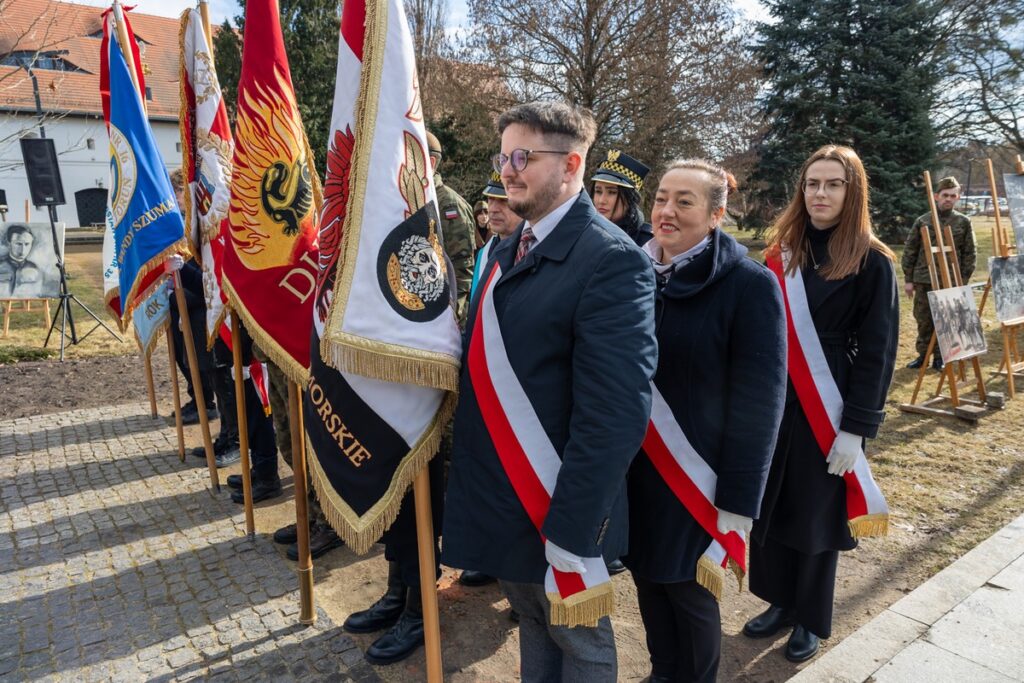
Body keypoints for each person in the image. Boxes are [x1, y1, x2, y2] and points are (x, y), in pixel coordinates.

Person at [442, 101, 657, 681]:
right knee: (534, 624)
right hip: (504, 496)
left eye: (523, 157)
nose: (508, 170)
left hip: (560, 506)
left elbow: (614, 416)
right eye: (503, 155)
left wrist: (573, 529)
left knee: (580, 643)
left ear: (571, 165)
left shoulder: (611, 261)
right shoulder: (508, 249)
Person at [625, 159, 787, 683]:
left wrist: (740, 502)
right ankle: (662, 672)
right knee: (647, 578)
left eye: (685, 201)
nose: (666, 211)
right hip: (636, 467)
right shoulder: (630, 271)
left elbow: (761, 402)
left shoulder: (748, 285)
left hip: (699, 476)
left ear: (717, 215)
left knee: (687, 589)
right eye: (660, 198)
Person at [744, 145, 899, 663]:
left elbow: (879, 351)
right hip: (773, 394)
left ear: (852, 192)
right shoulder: (782, 249)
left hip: (826, 395)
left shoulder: (872, 261)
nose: (820, 194)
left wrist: (856, 428)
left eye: (833, 184)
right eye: (813, 184)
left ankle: (809, 616)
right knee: (770, 503)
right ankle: (780, 602)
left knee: (813, 512)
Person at [901, 176, 975, 370]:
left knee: (947, 320)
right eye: (944, 195)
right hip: (924, 279)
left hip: (950, 281)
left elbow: (970, 253)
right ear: (936, 196)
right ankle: (923, 355)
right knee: (924, 319)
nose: (948, 199)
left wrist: (963, 280)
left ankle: (941, 357)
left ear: (958, 197)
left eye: (952, 195)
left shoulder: (963, 222)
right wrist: (908, 280)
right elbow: (910, 250)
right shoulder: (923, 221)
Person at [426, 131, 476, 327]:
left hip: (443, 316)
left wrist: (453, 315)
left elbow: (462, 271)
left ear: (430, 162)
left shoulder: (448, 205)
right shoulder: (414, 199)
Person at [468, 171, 522, 301]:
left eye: (504, 201)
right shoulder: (484, 253)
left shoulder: (532, 250)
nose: (493, 209)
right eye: (490, 199)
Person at [589, 150, 653, 247]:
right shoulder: (584, 231)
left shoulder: (648, 243)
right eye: (598, 191)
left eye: (612, 192)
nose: (601, 200)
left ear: (631, 197)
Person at [0, 224, 44, 297]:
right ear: (9, 243)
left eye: (27, 244)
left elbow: (37, 293)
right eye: (18, 244)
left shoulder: (35, 269)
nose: (23, 250)